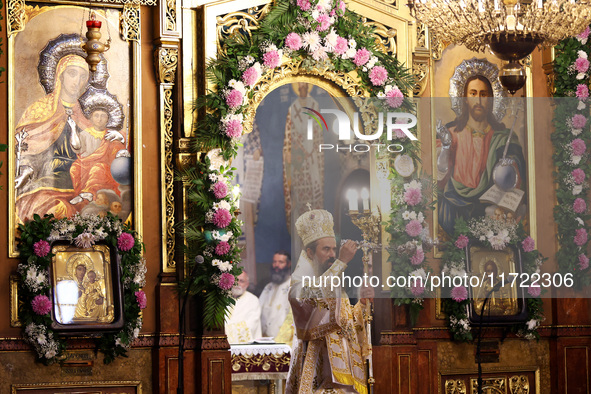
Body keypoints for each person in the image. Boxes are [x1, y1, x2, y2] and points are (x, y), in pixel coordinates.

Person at [286, 208, 373, 394]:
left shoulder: (334, 282)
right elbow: (313, 299)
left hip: (345, 372)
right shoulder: (299, 281)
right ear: (310, 252)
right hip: (318, 365)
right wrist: (341, 262)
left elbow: (346, 322)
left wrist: (362, 306)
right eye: (326, 249)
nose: (332, 254)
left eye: (334, 249)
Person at [437, 74, 526, 237]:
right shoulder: (450, 134)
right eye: (473, 93)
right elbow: (438, 177)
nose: (478, 100)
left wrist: (511, 164)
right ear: (465, 98)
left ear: (491, 99)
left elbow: (516, 176)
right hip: (454, 210)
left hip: (490, 210)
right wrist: (445, 147)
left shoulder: (503, 138)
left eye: (483, 94)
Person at [15, 54, 93, 220]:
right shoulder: (39, 110)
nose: (77, 81)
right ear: (60, 74)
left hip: (76, 182)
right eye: (72, 73)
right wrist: (25, 170)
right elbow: (24, 149)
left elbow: (94, 156)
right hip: (44, 180)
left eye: (82, 76)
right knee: (56, 210)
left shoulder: (85, 118)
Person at [69, 89, 127, 206]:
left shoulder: (112, 134)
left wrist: (121, 137)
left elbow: (122, 151)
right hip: (85, 165)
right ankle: (85, 194)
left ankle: (89, 193)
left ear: (108, 119)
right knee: (74, 168)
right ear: (90, 118)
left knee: (97, 168)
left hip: (105, 168)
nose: (99, 119)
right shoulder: (85, 134)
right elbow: (77, 147)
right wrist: (73, 129)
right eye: (96, 116)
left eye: (103, 116)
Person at [259, 250, 292, 339]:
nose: (276, 265)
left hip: (284, 339)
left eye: (281, 262)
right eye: (274, 262)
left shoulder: (294, 286)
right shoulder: (268, 287)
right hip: (265, 339)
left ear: (288, 264)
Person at [225, 270, 262, 344]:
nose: (237, 283)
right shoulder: (223, 298)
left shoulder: (253, 300)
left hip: (246, 346)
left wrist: (226, 329)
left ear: (247, 284)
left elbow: (250, 326)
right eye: (235, 280)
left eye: (241, 281)